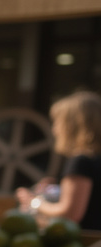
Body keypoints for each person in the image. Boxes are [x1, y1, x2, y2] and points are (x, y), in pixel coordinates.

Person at [16, 90, 101, 230]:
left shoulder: (81, 161)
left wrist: (34, 202)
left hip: (86, 243)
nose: (54, 129)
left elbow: (70, 214)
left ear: (71, 126)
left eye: (57, 122)